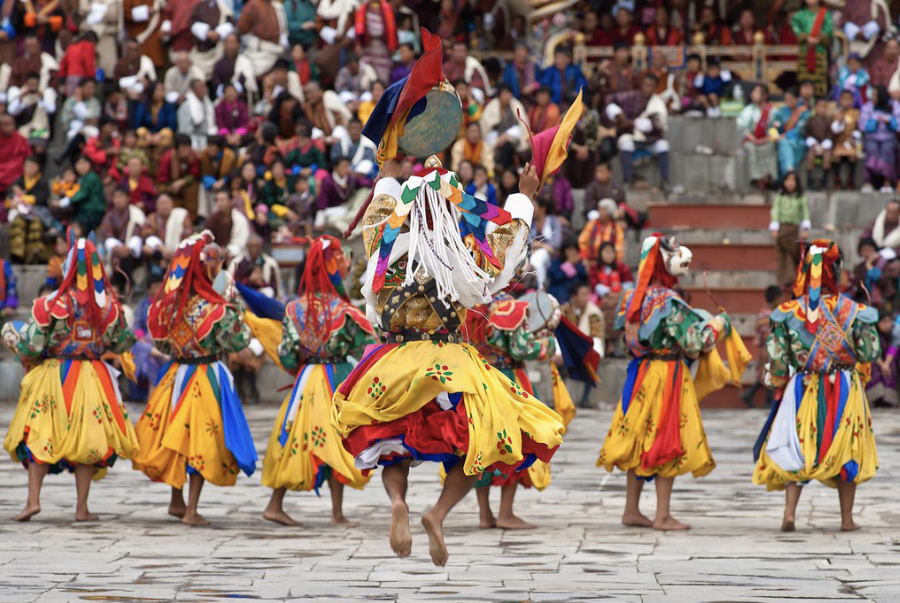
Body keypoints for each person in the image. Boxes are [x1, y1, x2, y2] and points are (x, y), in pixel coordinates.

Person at [332, 158, 564, 566]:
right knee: (482, 443)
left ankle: (399, 502)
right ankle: (436, 513)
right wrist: (524, 197)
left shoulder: (385, 245)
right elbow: (506, 253)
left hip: (395, 359)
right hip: (449, 361)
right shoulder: (463, 254)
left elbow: (377, 211)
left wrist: (388, 175)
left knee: (392, 447)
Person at [599, 235, 734, 530]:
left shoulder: (631, 298)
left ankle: (631, 509)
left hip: (640, 373)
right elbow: (696, 342)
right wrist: (718, 325)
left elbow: (626, 338)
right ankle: (662, 514)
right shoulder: (670, 303)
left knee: (638, 436)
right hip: (667, 375)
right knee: (665, 438)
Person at [1, 235, 138, 522]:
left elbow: (32, 345)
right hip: (92, 376)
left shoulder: (51, 304)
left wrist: (17, 343)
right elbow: (123, 343)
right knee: (87, 441)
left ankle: (32, 501)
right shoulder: (108, 307)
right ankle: (81, 509)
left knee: (40, 433)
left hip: (54, 375)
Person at [132, 231, 257, 525]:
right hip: (205, 375)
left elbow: (160, 342)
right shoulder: (215, 308)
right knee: (198, 440)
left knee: (176, 436)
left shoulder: (171, 306)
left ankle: (177, 501)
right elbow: (239, 341)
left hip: (176, 374)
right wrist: (236, 308)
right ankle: (191, 510)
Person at [753, 241, 879, 532]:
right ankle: (846, 520)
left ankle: (789, 514)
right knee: (847, 450)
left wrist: (779, 379)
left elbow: (777, 361)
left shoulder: (787, 311)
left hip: (803, 387)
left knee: (799, 448)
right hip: (845, 387)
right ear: (837, 271)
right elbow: (869, 353)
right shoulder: (854, 310)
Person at [261, 235, 376, 525]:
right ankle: (336, 513)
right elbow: (366, 348)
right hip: (335, 378)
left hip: (306, 379)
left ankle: (277, 504)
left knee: (296, 437)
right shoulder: (346, 312)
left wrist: (302, 363)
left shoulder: (294, 309)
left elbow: (286, 354)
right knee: (336, 439)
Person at [465, 289, 572, 530]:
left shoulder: (471, 301)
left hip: (478, 380)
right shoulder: (507, 305)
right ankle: (505, 513)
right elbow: (521, 348)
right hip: (508, 379)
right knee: (513, 441)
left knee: (484, 444)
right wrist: (548, 344)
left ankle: (485, 515)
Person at [606, 74, 670, 187]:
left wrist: (630, 122)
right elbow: (610, 99)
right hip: (632, 137)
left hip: (651, 140)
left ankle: (665, 182)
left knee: (663, 145)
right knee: (625, 144)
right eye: (645, 85)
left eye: (651, 86)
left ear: (655, 88)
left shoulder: (658, 104)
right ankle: (627, 180)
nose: (647, 88)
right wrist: (617, 113)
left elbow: (654, 125)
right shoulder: (631, 96)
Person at [741, 285, 782, 408]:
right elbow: (765, 335)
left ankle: (751, 395)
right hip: (768, 348)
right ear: (775, 298)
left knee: (765, 374)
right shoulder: (769, 315)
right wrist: (765, 350)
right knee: (768, 373)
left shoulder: (764, 313)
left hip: (767, 348)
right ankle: (767, 400)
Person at [6, 155, 51, 263]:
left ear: (38, 167)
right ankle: (17, 254)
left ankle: (34, 256)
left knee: (35, 225)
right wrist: (13, 202)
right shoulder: (19, 181)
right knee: (18, 223)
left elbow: (41, 198)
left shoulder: (42, 182)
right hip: (20, 213)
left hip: (37, 212)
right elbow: (9, 199)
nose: (30, 168)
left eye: (32, 165)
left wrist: (22, 197)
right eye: (27, 165)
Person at [770, 172, 810, 285]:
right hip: (782, 227)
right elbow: (776, 211)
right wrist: (774, 228)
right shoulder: (780, 196)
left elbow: (805, 212)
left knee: (791, 253)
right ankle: (783, 280)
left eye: (793, 180)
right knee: (782, 254)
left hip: (793, 228)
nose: (790, 183)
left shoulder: (800, 197)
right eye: (788, 180)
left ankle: (790, 279)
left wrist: (805, 229)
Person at [737, 84, 778, 190]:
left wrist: (766, 139)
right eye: (753, 92)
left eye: (757, 92)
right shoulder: (747, 110)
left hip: (767, 140)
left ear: (765, 95)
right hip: (752, 140)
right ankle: (757, 178)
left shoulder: (772, 111)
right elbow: (742, 127)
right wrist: (753, 139)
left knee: (770, 147)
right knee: (751, 148)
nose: (754, 95)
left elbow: (775, 127)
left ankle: (770, 177)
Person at [860, 85, 900, 192]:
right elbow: (863, 125)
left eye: (874, 95)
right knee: (871, 150)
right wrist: (874, 122)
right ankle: (868, 182)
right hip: (872, 138)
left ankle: (887, 182)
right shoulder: (867, 106)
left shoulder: (894, 105)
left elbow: (898, 125)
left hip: (888, 138)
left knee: (888, 151)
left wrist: (889, 122)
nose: (872, 98)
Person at [792, 0, 833, 98]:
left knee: (819, 82)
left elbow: (829, 31)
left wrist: (818, 38)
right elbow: (796, 29)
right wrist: (806, 37)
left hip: (819, 51)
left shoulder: (825, 14)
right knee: (804, 79)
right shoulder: (799, 15)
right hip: (805, 51)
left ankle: (818, 100)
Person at [353, 0, 397, 83]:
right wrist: (358, 44)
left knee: (383, 77)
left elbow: (392, 29)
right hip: (367, 46)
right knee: (368, 74)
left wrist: (392, 46)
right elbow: (358, 29)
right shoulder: (363, 8)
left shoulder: (387, 8)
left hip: (382, 47)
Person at [60, 155, 106, 234]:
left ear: (90, 164)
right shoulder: (82, 178)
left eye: (84, 163)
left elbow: (82, 194)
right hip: (85, 209)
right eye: (79, 164)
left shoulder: (91, 177)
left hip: (92, 211)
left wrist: (64, 202)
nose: (82, 167)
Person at [772, 88, 811, 178]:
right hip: (783, 141)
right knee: (784, 144)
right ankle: (789, 174)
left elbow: (800, 130)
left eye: (790, 99)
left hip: (799, 141)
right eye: (786, 99)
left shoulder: (804, 112)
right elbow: (776, 129)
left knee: (786, 144)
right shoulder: (782, 111)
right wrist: (776, 130)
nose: (788, 102)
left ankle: (787, 175)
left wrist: (786, 135)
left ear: (797, 99)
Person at [867, 308, 900, 407]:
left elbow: (893, 347)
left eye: (889, 321)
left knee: (892, 368)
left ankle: (890, 398)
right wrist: (882, 364)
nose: (887, 325)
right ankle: (876, 397)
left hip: (889, 358)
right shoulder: (871, 331)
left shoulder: (896, 330)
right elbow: (872, 350)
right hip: (874, 358)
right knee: (873, 368)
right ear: (878, 323)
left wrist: (886, 364)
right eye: (884, 322)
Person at [831, 89, 862, 190]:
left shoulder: (856, 113)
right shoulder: (836, 114)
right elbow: (834, 131)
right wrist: (840, 121)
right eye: (844, 99)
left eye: (849, 99)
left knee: (852, 157)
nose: (846, 102)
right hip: (839, 143)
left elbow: (858, 129)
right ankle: (837, 180)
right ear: (840, 100)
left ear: (852, 101)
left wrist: (854, 137)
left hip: (851, 143)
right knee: (837, 157)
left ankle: (850, 180)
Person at [579, 199, 625, 264]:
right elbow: (582, 241)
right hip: (591, 261)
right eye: (599, 209)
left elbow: (619, 248)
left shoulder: (616, 228)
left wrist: (615, 263)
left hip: (609, 262)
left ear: (609, 213)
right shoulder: (591, 224)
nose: (600, 212)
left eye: (603, 210)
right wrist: (584, 258)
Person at [177, 79, 217, 150]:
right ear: (193, 90)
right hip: (192, 139)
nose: (203, 89)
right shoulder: (186, 106)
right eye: (200, 87)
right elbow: (184, 130)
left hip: (206, 138)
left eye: (204, 86)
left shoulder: (208, 104)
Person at [804, 98, 834, 190]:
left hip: (825, 146)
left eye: (825, 106)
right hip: (814, 145)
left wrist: (824, 146)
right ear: (815, 108)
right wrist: (814, 144)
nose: (823, 109)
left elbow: (830, 135)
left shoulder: (829, 120)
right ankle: (810, 180)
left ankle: (823, 181)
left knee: (827, 156)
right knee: (810, 155)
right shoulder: (810, 120)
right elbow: (807, 133)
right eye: (820, 106)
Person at [548, 240, 587, 305]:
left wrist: (577, 265)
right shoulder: (557, 262)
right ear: (564, 250)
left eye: (574, 250)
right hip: (558, 293)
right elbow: (556, 277)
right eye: (569, 250)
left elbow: (584, 278)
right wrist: (569, 264)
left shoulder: (579, 264)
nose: (571, 252)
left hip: (575, 295)